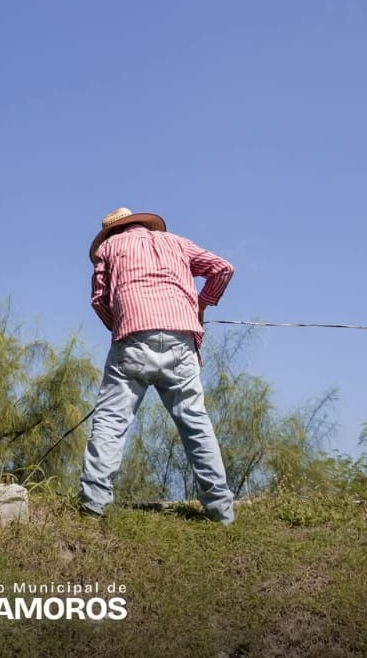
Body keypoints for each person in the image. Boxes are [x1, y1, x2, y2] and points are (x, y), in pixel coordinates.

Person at [78, 206, 237, 523]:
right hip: (182, 338)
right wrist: (200, 306)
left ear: (111, 233)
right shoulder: (177, 242)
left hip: (132, 338)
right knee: (195, 423)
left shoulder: (109, 248)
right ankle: (221, 511)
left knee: (110, 422)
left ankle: (92, 506)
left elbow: (99, 299)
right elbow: (223, 269)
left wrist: (122, 327)